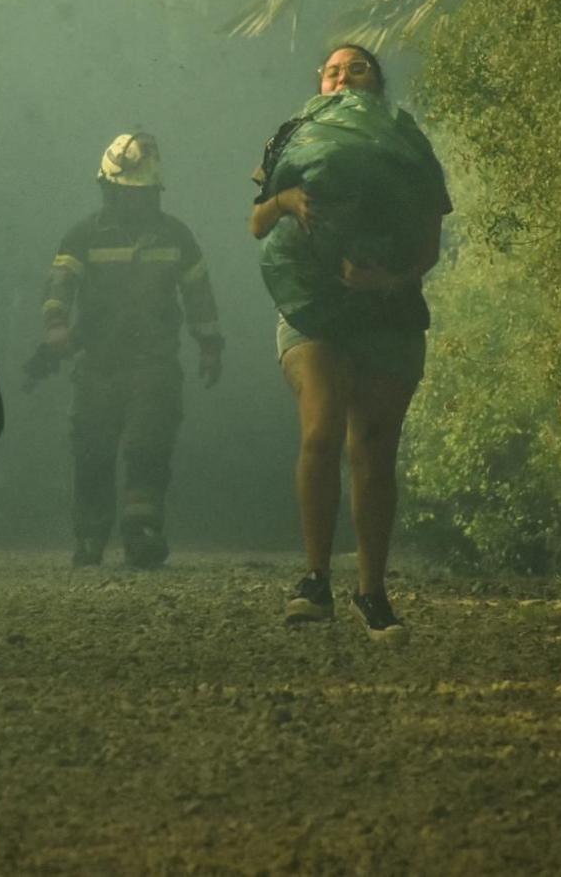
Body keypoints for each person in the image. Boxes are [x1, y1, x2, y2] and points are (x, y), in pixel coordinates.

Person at [248, 44, 451, 645]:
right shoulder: (291, 136)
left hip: (388, 311)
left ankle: (373, 592)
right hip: (310, 306)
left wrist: (387, 280)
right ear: (321, 83)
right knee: (321, 429)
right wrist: (286, 199)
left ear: (376, 83)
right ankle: (314, 580)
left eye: (356, 68)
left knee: (373, 450)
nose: (343, 75)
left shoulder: (408, 143)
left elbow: (428, 242)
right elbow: (258, 222)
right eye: (333, 70)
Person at [32, 132, 224, 568]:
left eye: (141, 194)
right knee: (92, 448)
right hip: (98, 364)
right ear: (108, 189)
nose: (133, 202)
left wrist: (210, 345)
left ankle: (142, 533)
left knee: (148, 444)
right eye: (125, 193)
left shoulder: (176, 236)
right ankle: (90, 536)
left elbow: (198, 294)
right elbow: (61, 282)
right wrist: (56, 324)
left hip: (154, 364)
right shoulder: (83, 235)